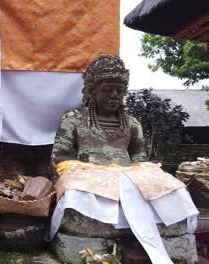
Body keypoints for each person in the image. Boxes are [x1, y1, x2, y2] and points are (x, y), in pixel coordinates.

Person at [47, 55, 198, 264]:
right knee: (75, 197)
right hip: (89, 178)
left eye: (120, 90)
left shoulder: (132, 123)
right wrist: (86, 170)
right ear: (92, 90)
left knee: (175, 188)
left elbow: (141, 160)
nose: (114, 95)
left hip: (129, 179)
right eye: (108, 90)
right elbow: (59, 156)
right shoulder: (73, 119)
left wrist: (142, 173)